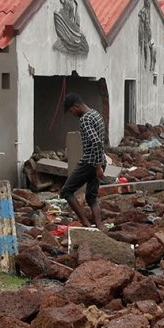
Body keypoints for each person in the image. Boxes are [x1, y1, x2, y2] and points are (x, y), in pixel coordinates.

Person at [59, 91, 107, 229]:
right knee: (91, 197)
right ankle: (99, 226)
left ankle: (86, 224)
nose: (72, 114)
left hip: (91, 162)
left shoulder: (85, 119)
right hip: (100, 159)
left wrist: (98, 167)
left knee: (66, 191)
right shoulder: (96, 114)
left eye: (71, 111)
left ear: (75, 106)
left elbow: (96, 142)